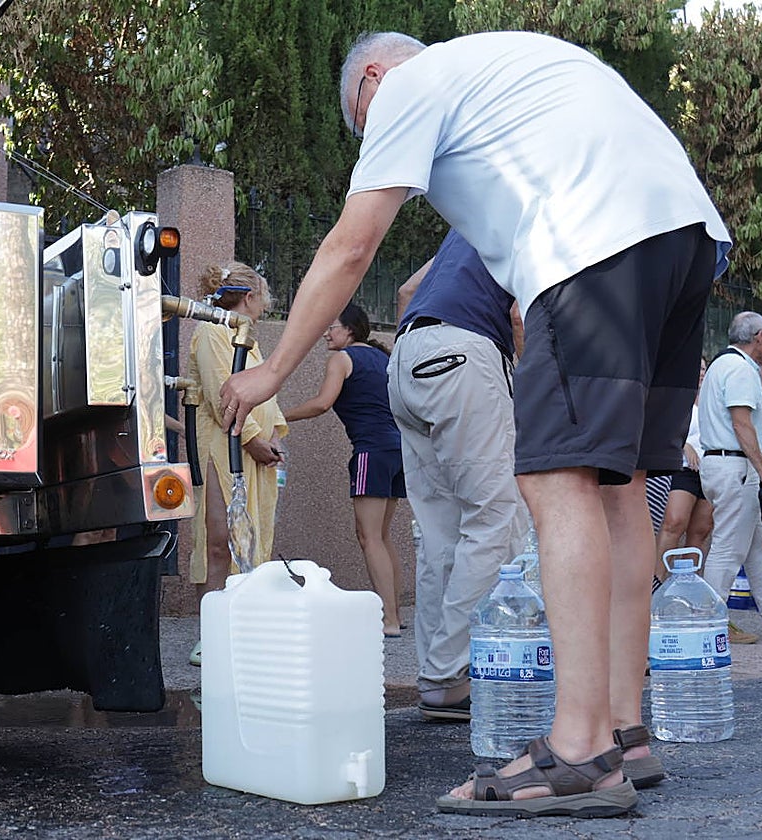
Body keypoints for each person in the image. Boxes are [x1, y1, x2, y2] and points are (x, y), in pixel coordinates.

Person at [219, 30, 733, 817]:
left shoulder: (408, 86)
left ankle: (578, 750)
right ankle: (625, 731)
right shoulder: (506, 69)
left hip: (591, 239)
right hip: (687, 237)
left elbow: (352, 246)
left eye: (363, 123)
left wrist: (271, 369)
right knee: (624, 487)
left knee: (553, 479)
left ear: (375, 79)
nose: (373, 140)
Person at [388, 229, 526, 722]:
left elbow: (406, 291)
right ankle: (452, 672)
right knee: (493, 519)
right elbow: (518, 315)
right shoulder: (531, 215)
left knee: (439, 531)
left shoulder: (467, 224)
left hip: (406, 354)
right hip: (466, 353)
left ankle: (437, 680)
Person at [283, 302, 406, 637]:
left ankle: (389, 620)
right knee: (381, 536)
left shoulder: (342, 359)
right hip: (399, 451)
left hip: (371, 451)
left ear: (349, 329)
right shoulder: (383, 357)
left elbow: (322, 403)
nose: (326, 333)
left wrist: (280, 416)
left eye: (332, 327)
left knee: (368, 537)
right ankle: (395, 613)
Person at [187, 262, 287, 667]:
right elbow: (219, 394)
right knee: (219, 541)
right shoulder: (213, 331)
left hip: (257, 453)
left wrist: (275, 435)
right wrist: (251, 439)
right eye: (263, 296)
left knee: (252, 539)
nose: (265, 305)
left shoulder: (249, 339)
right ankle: (210, 636)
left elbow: (269, 399)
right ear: (250, 296)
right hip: (223, 449)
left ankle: (245, 629)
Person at [697, 312, 762, 644]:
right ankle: (710, 618)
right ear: (761, 336)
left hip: (722, 465)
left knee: (753, 546)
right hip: (736, 467)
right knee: (728, 548)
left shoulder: (722, 364)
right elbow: (741, 424)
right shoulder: (739, 369)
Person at [654, 357, 713, 578]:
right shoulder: (679, 398)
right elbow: (662, 427)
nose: (700, 372)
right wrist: (684, 444)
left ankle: (688, 587)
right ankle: (656, 584)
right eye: (695, 367)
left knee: (700, 530)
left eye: (703, 368)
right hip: (684, 468)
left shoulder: (711, 399)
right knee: (674, 523)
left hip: (709, 471)